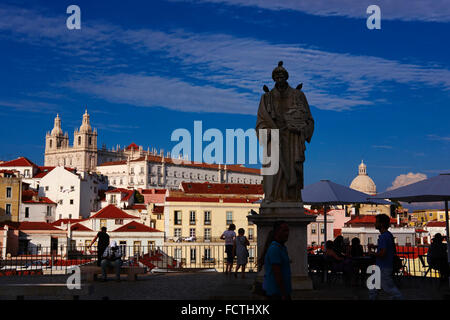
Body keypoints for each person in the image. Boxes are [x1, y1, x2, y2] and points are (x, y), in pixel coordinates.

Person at [368, 214, 403, 300]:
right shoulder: (389, 235)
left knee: (389, 288)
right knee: (373, 286)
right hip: (384, 266)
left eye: (376, 222)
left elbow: (382, 254)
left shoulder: (383, 237)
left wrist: (371, 253)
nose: (375, 224)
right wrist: (377, 247)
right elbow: (390, 249)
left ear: (382, 224)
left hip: (383, 267)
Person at [262, 221, 291, 300]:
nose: (287, 233)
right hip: (276, 293)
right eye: (284, 230)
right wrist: (283, 293)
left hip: (279, 292)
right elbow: (277, 273)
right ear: (277, 232)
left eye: (288, 230)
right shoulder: (275, 249)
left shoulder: (281, 248)